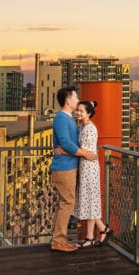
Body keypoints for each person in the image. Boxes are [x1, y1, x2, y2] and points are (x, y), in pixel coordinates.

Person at [50, 86, 96, 252]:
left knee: (64, 203)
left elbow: (69, 143)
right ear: (68, 100)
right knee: (67, 203)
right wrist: (85, 154)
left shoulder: (68, 118)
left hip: (69, 165)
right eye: (75, 98)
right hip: (64, 168)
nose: (78, 101)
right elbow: (67, 142)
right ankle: (58, 241)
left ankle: (58, 239)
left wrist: (66, 148)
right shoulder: (62, 118)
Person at [72, 100, 113, 247]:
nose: (78, 113)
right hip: (85, 166)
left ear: (89, 113)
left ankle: (101, 231)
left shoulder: (89, 128)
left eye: (81, 111)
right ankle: (96, 233)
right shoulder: (82, 126)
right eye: (77, 110)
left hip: (89, 167)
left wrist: (66, 149)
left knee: (89, 200)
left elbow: (84, 150)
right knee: (89, 200)